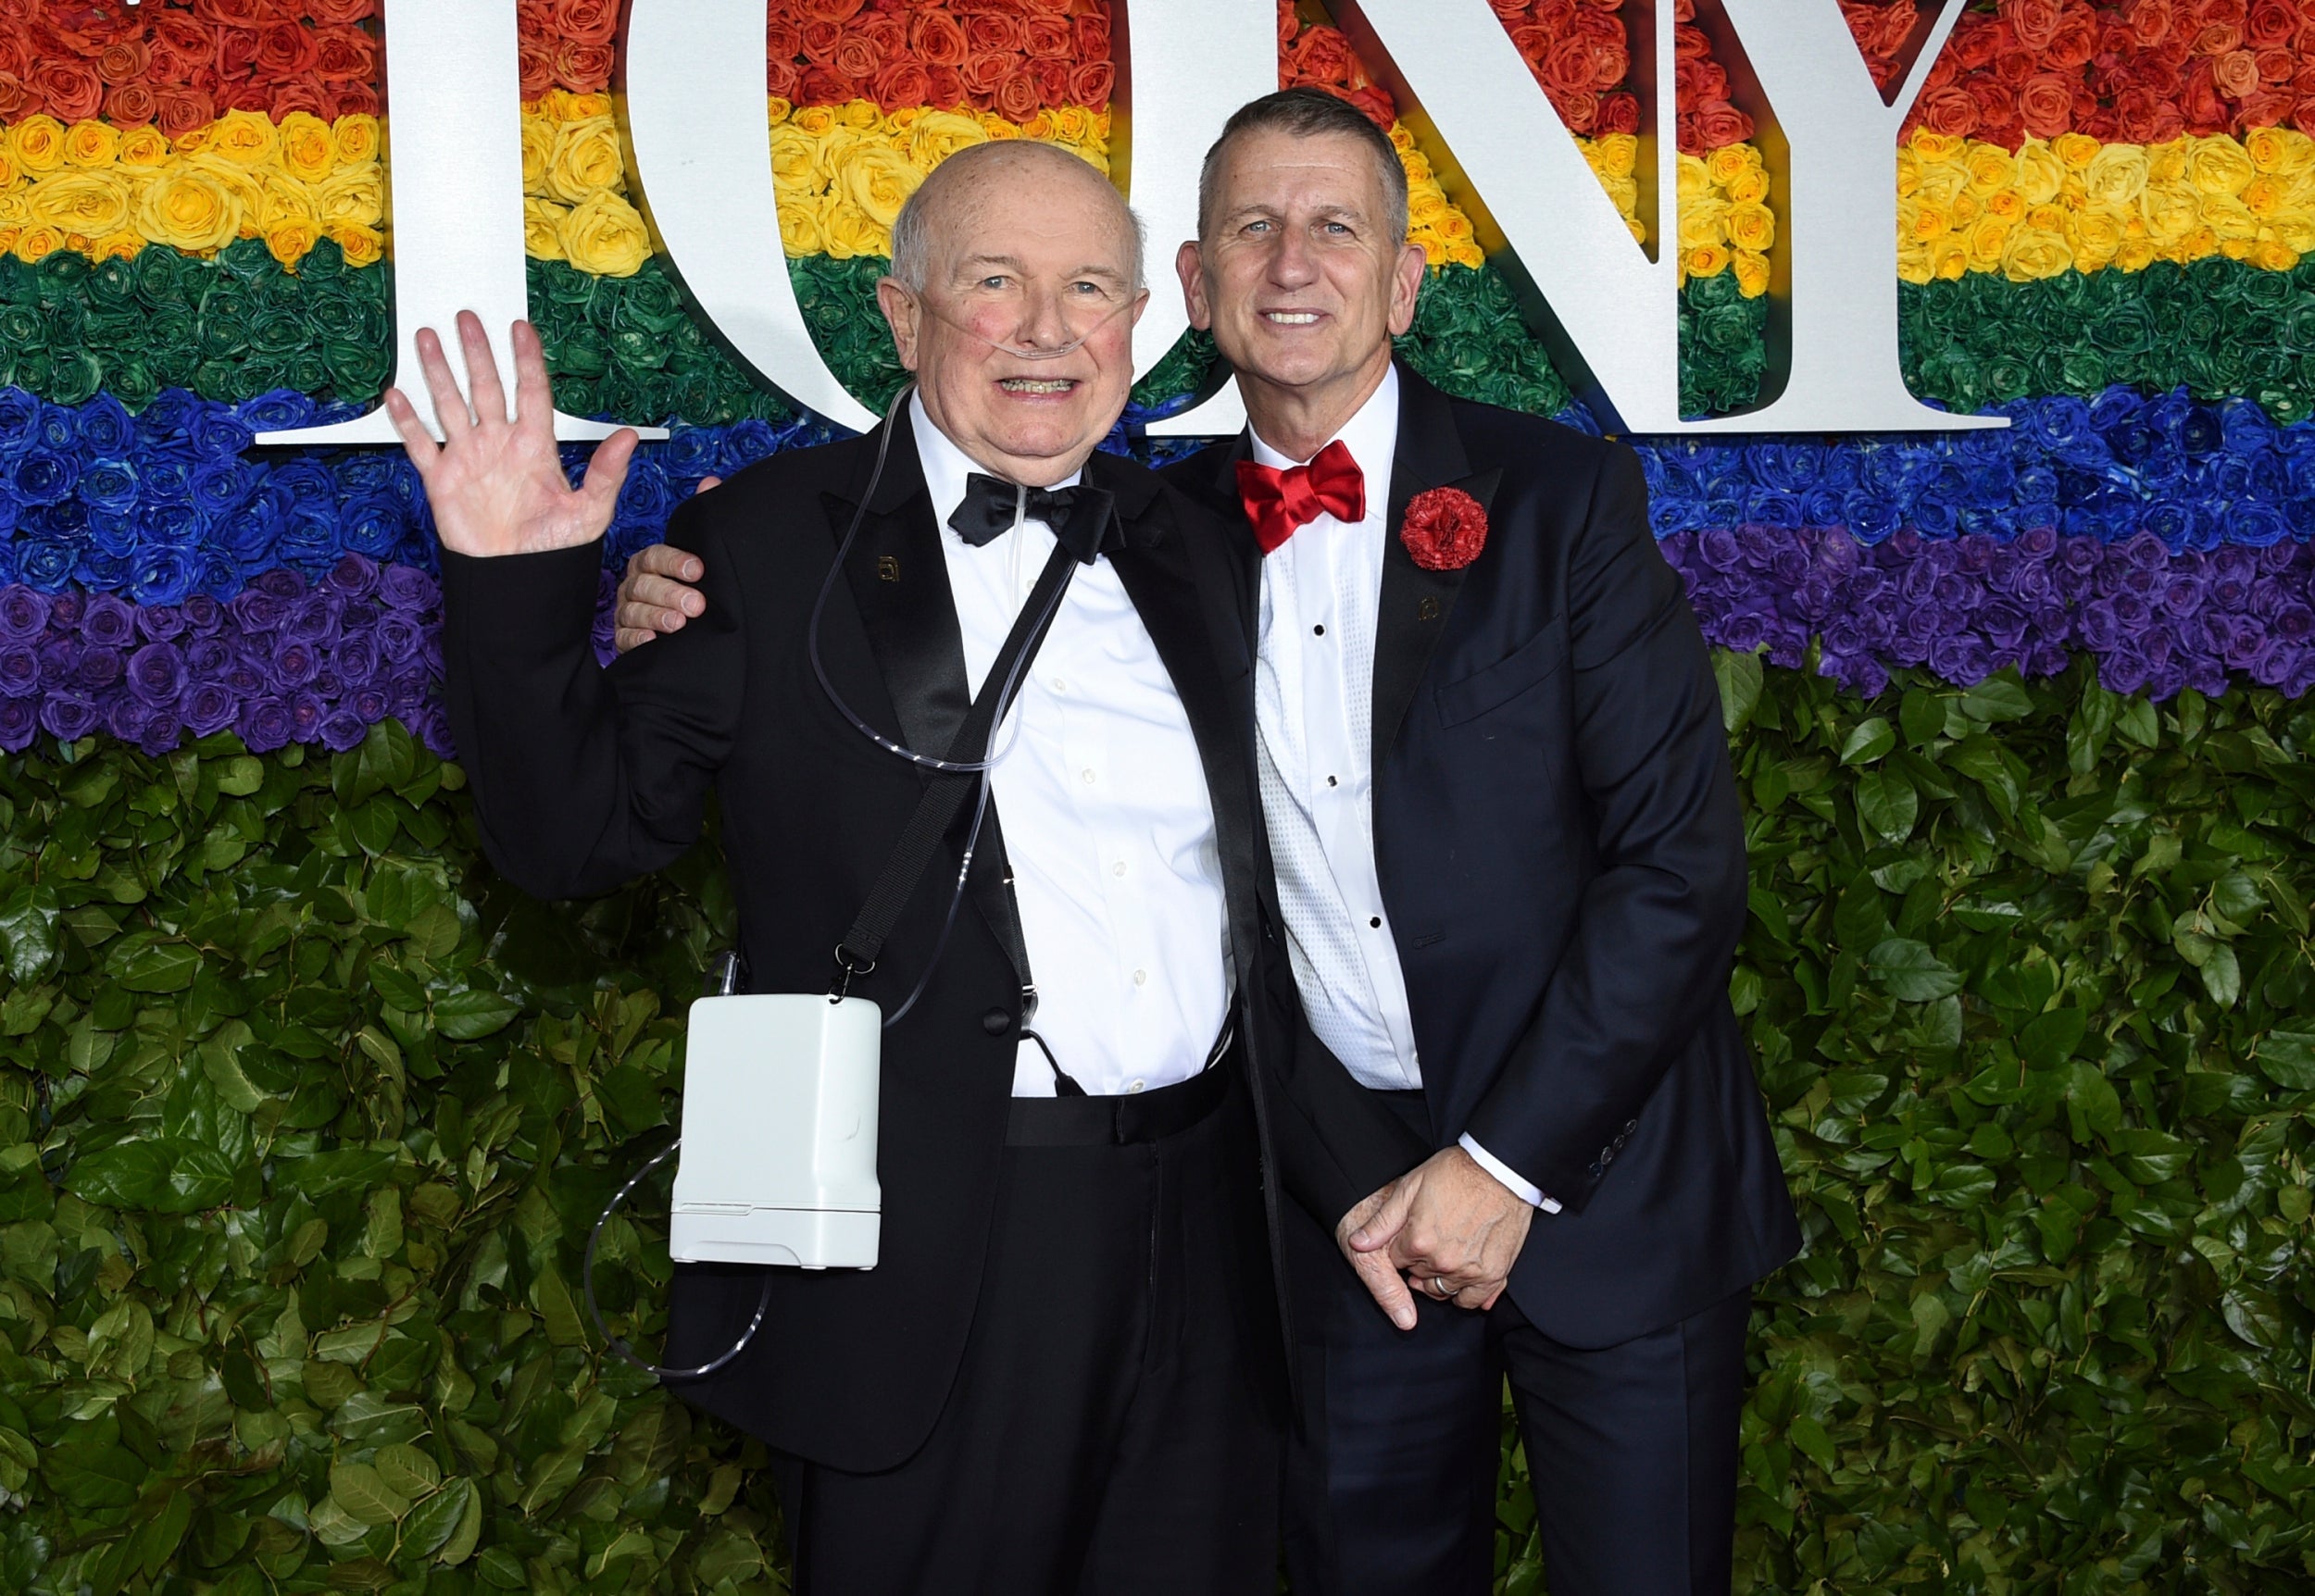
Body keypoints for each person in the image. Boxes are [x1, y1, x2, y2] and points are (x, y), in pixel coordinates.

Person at [616, 90, 1800, 1596]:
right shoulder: (1148, 529)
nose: (1291, 260)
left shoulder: (1556, 497)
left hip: (1608, 1186)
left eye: (1333, 226)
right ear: (1190, 287)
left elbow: (1679, 868)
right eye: (1251, 226)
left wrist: (1502, 1167)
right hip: (1336, 1213)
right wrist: (686, 588)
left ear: (1405, 280)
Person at [394, 139, 1286, 1595]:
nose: (1049, 328)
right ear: (904, 314)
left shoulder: (1202, 543)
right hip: (937, 1244)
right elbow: (572, 845)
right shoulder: (761, 544)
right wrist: (517, 587)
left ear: (1141, 321)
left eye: (1089, 289)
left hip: (1212, 1236)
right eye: (996, 283)